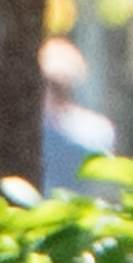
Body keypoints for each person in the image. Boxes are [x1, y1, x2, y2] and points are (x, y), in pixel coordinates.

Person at [39, 37, 116, 192]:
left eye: (62, 84)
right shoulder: (23, 129)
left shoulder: (95, 130)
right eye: (51, 82)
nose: (58, 89)